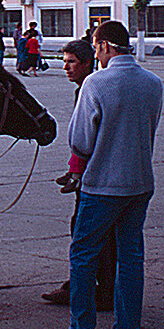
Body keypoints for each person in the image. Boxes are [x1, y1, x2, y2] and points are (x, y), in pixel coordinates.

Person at [48, 20, 162, 329]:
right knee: (131, 257)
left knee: (83, 255)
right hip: (140, 182)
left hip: (102, 185)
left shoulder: (96, 83)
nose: (96, 53)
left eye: (96, 47)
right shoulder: (153, 83)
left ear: (105, 46)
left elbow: (80, 140)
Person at [42, 39, 116, 312]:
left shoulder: (91, 87)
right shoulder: (88, 87)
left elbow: (85, 138)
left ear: (87, 63)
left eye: (71, 62)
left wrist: (77, 169)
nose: (66, 68)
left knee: (86, 231)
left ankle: (93, 289)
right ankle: (90, 284)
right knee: (94, 231)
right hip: (94, 171)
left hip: (94, 175)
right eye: (65, 62)